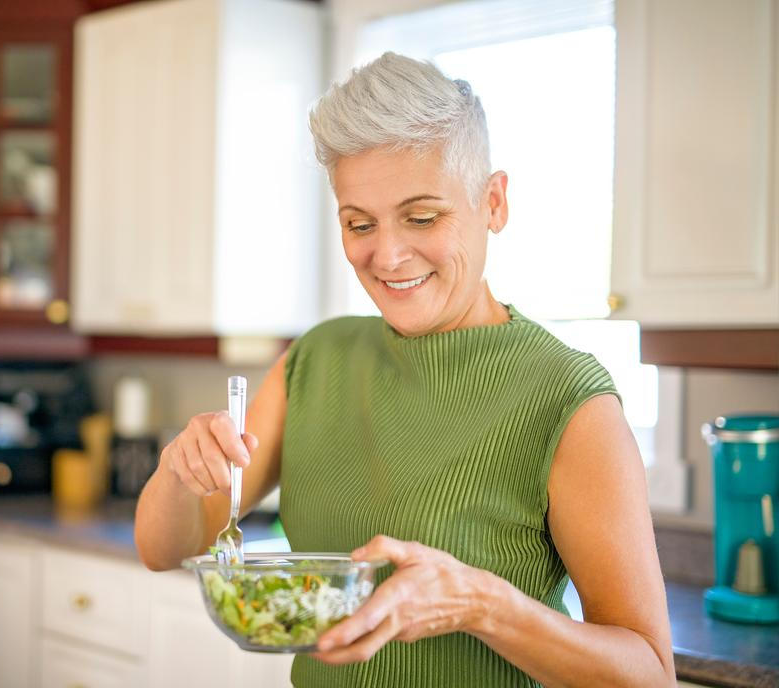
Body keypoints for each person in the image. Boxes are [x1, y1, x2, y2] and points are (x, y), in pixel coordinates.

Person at [134, 51, 675, 687]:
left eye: (422, 217)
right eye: (358, 223)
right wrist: (179, 470)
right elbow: (162, 548)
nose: (387, 255)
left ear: (493, 202)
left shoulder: (568, 400)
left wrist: (483, 604)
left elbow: (649, 675)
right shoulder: (316, 361)